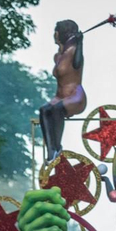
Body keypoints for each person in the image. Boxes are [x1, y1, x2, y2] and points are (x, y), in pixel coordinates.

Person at [39, 18, 88, 159]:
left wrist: (80, 44)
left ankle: (57, 146)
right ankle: (51, 150)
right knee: (44, 110)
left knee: (56, 109)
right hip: (59, 96)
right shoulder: (58, 56)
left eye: (57, 32)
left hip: (75, 95)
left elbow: (77, 64)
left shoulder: (74, 51)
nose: (55, 35)